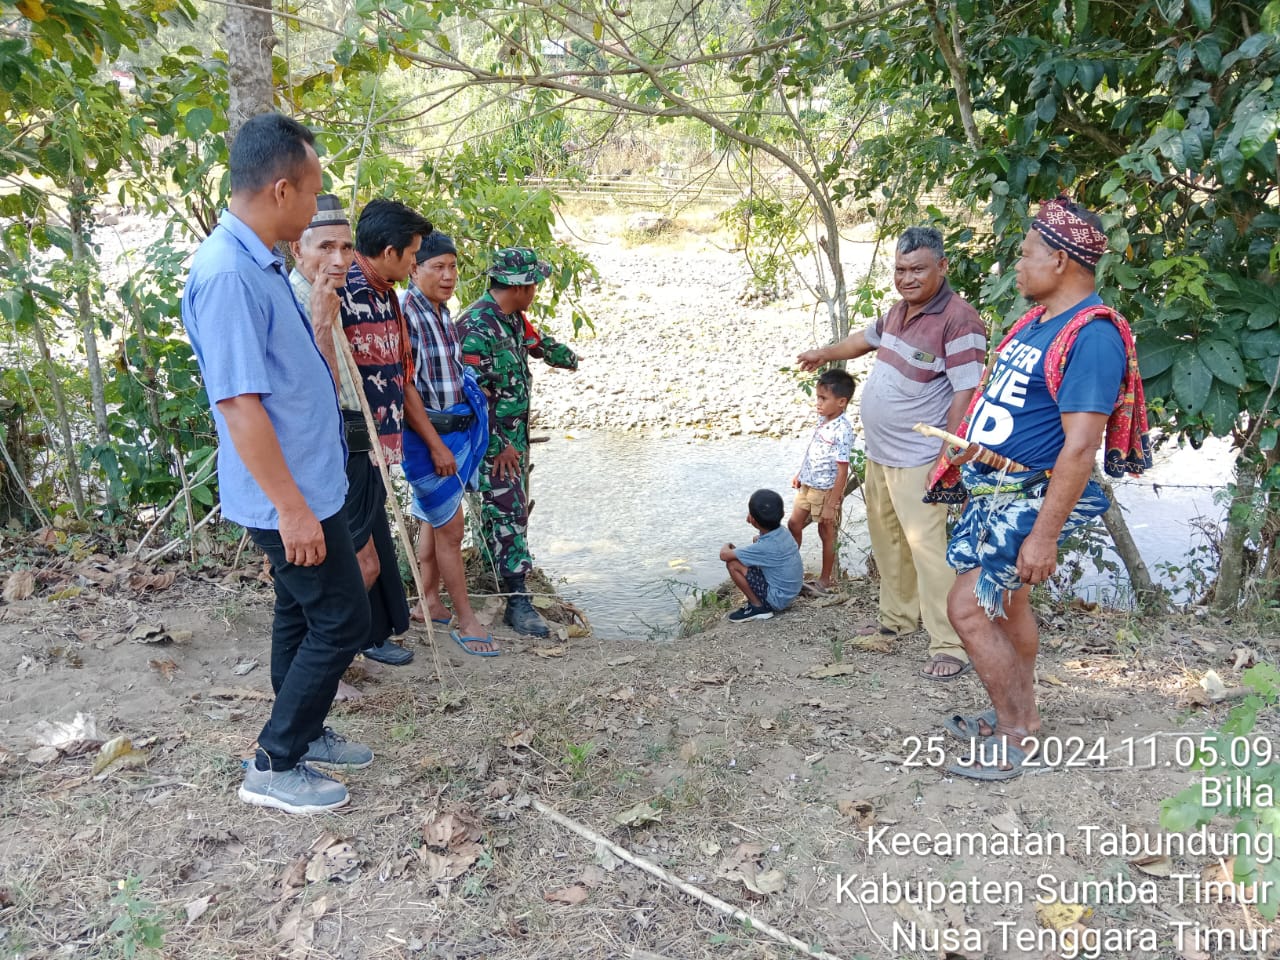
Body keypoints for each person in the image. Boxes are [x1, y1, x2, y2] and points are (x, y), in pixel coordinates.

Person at [181, 113, 371, 814]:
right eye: (315, 188)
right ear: (284, 188)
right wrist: (290, 507)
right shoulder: (228, 275)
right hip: (285, 494)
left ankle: (307, 729)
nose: (319, 200)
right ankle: (274, 760)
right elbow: (239, 406)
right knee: (342, 622)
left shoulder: (259, 261)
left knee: (299, 610)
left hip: (310, 483)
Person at [932, 195, 1150, 780]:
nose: (1018, 267)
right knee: (1004, 606)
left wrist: (1044, 537)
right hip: (996, 493)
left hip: (1028, 498)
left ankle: (1016, 736)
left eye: (1026, 255)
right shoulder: (1038, 322)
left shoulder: (1093, 336)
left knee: (968, 609)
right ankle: (1022, 714)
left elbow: (1079, 447)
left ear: (1059, 261)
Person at [797, 226, 986, 681]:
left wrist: (948, 455)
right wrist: (825, 354)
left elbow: (967, 390)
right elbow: (862, 341)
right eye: (900, 269)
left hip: (921, 457)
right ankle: (897, 619)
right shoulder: (900, 311)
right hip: (881, 454)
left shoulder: (960, 320)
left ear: (942, 266)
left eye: (918, 269)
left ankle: (950, 643)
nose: (907, 278)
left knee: (929, 552)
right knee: (888, 542)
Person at [335, 198, 439, 666]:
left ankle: (372, 634)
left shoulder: (385, 294)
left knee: (375, 538)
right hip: (351, 444)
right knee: (359, 552)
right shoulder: (343, 291)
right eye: (414, 253)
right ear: (391, 250)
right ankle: (338, 648)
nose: (416, 262)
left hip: (381, 445)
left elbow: (401, 373)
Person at [457, 247, 579, 638]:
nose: (537, 290)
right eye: (535, 283)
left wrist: (565, 356)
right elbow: (470, 397)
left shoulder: (510, 320)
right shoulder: (475, 327)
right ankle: (517, 601)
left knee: (510, 514)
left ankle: (502, 577)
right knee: (508, 516)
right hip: (495, 447)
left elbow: (536, 343)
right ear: (521, 286)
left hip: (514, 442)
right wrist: (499, 444)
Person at [400, 232, 496, 656]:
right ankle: (466, 619)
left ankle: (429, 601)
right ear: (412, 268)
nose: (448, 276)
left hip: (451, 432)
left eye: (453, 266)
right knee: (451, 529)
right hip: (429, 438)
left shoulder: (439, 312)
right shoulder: (408, 314)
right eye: (437, 267)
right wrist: (436, 445)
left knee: (430, 519)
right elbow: (405, 387)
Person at [787, 369, 855, 591]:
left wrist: (831, 504)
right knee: (794, 524)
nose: (818, 402)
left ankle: (826, 579)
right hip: (808, 484)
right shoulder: (822, 420)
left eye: (823, 398)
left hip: (825, 489)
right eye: (817, 397)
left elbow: (842, 470)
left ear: (842, 402)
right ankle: (789, 568)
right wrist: (800, 473)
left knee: (826, 532)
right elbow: (813, 450)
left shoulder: (842, 430)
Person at [719, 489, 804, 622]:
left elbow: (724, 555)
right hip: (790, 592)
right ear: (782, 513)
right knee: (756, 539)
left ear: (752, 519)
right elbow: (761, 540)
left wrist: (728, 544)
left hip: (777, 600)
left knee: (733, 564)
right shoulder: (783, 532)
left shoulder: (764, 547)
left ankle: (758, 607)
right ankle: (760, 603)